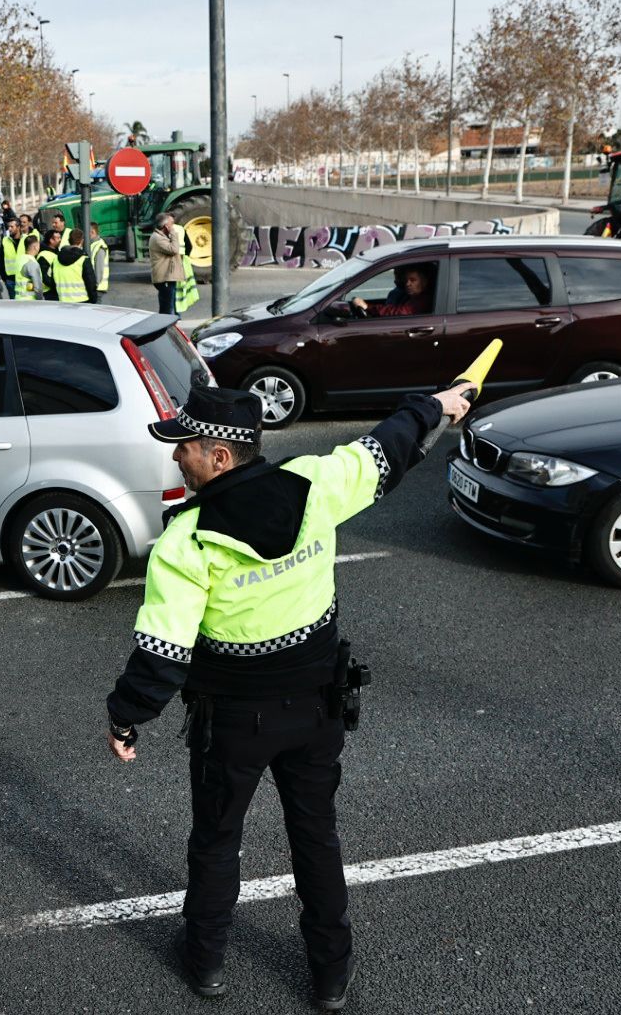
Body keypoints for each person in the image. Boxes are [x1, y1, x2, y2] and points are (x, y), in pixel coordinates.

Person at [105, 382, 474, 1008]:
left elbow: (164, 654)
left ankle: (206, 965)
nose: (177, 459)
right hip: (317, 710)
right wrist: (437, 405)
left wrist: (125, 718)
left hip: (234, 724)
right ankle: (331, 977)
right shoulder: (314, 482)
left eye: (185, 449)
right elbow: (388, 448)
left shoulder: (187, 541)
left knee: (217, 842)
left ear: (220, 457)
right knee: (316, 839)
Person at [350, 264, 435, 317]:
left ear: (424, 282)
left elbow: (401, 312)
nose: (407, 284)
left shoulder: (424, 300)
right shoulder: (410, 296)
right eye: (406, 280)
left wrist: (368, 307)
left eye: (413, 280)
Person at [50, 227, 97, 303]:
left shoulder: (56, 259)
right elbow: (91, 283)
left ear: (69, 241)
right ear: (82, 241)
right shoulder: (83, 259)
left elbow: (53, 283)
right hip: (82, 301)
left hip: (62, 301)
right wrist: (93, 299)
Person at [149, 215, 185, 316]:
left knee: (170, 305)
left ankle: (172, 324)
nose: (173, 226)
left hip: (168, 277)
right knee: (166, 309)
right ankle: (164, 329)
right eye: (171, 224)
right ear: (166, 226)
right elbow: (174, 249)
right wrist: (173, 233)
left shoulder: (162, 236)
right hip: (165, 278)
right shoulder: (158, 238)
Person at [0, 218, 25, 300]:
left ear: (18, 227)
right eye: (9, 227)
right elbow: (0, 261)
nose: (9, 229)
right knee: (14, 304)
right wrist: (4, 277)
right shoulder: (5, 241)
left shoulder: (26, 239)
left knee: (27, 302)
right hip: (11, 280)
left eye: (12, 227)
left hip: (25, 279)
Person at [175, 221, 201, 314]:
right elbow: (189, 246)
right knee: (180, 291)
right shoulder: (180, 229)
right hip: (183, 264)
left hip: (172, 267)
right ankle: (177, 316)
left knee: (171, 298)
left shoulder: (164, 231)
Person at [14, 232, 44, 300]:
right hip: (29, 301)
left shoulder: (20, 259)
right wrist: (41, 300)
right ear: (35, 247)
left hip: (18, 298)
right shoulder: (32, 263)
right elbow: (37, 288)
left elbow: (28, 283)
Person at [87, 223, 110, 305]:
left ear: (92, 232)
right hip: (95, 287)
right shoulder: (93, 244)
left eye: (86, 232)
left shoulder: (99, 246)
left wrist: (93, 286)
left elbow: (99, 270)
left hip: (97, 288)